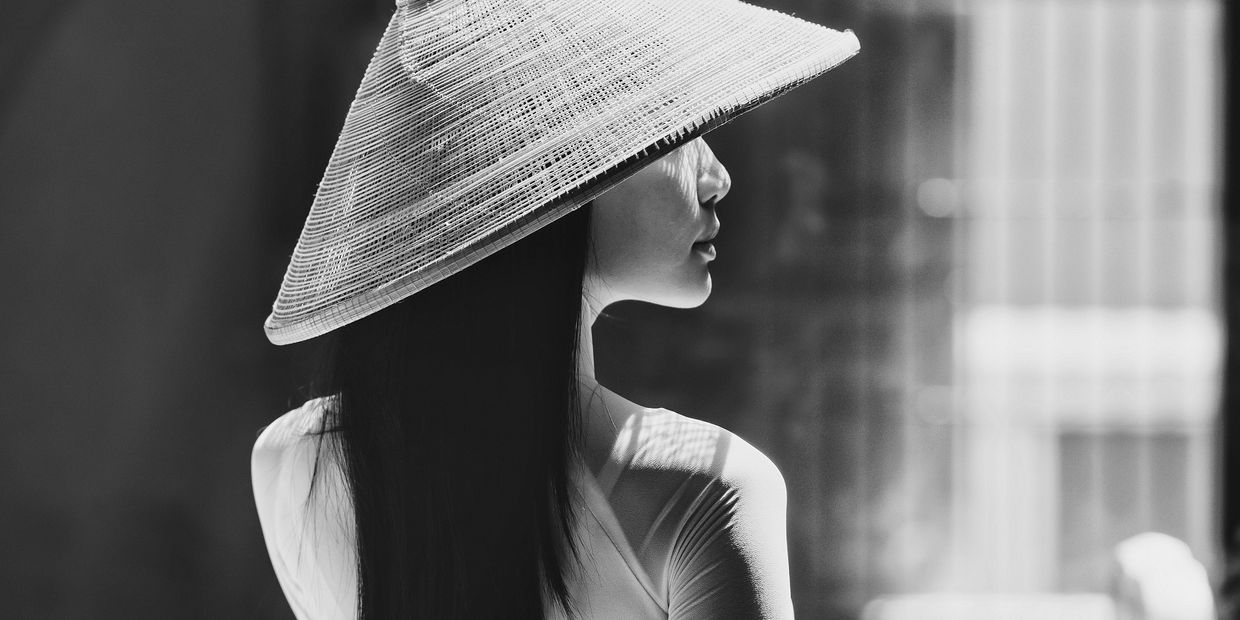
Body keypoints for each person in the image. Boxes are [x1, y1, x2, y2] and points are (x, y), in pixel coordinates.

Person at [251, 0, 859, 618]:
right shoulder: (703, 491)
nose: (717, 177)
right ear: (562, 169)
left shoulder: (294, 462)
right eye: (680, 132)